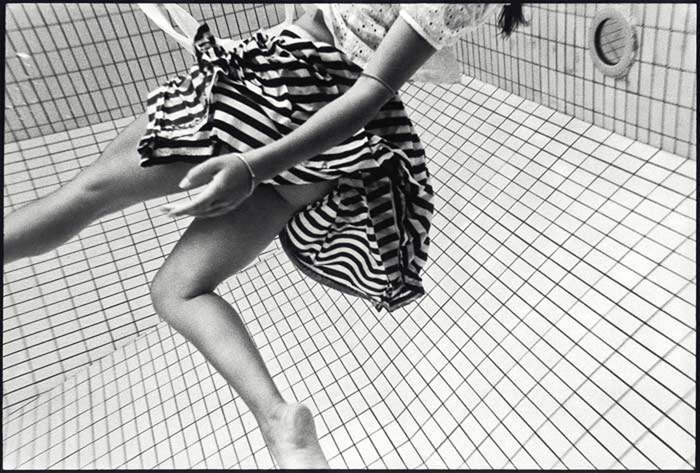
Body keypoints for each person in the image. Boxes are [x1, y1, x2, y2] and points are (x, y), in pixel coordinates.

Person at [3, 3, 526, 469]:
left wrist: (253, 166)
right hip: (322, 153)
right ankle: (279, 421)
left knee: (86, 194)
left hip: (282, 93)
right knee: (177, 291)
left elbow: (373, 90)